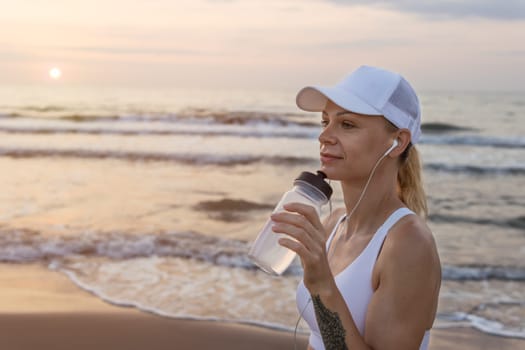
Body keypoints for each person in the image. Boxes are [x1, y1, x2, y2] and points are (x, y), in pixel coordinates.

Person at [270, 65, 441, 350]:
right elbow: (319, 338)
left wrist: (322, 284)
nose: (324, 136)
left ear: (397, 141)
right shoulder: (333, 224)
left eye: (347, 124)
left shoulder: (408, 244)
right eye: (325, 121)